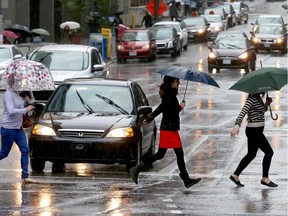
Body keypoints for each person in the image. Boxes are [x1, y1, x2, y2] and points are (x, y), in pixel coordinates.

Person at [130, 76, 201, 188]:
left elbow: (162, 108)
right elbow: (169, 110)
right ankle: (186, 179)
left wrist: (150, 117)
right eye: (177, 81)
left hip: (169, 129)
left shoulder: (169, 94)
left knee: (162, 154)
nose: (179, 83)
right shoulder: (170, 95)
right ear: (171, 82)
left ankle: (137, 168)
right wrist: (180, 107)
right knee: (176, 154)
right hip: (169, 130)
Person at [230, 93, 278, 187]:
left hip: (256, 130)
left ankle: (235, 175)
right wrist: (236, 126)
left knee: (251, 154)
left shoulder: (258, 98)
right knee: (269, 152)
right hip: (255, 131)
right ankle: (265, 178)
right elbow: (242, 112)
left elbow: (260, 112)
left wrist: (267, 104)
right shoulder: (251, 99)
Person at [0, 76, 36, 184]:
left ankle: (25, 176)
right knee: (4, 153)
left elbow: (23, 109)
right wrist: (25, 109)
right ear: (13, 83)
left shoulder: (18, 94)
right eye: (19, 82)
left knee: (25, 150)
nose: (21, 84)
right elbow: (11, 110)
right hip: (8, 128)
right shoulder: (8, 94)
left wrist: (27, 102)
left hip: (18, 128)